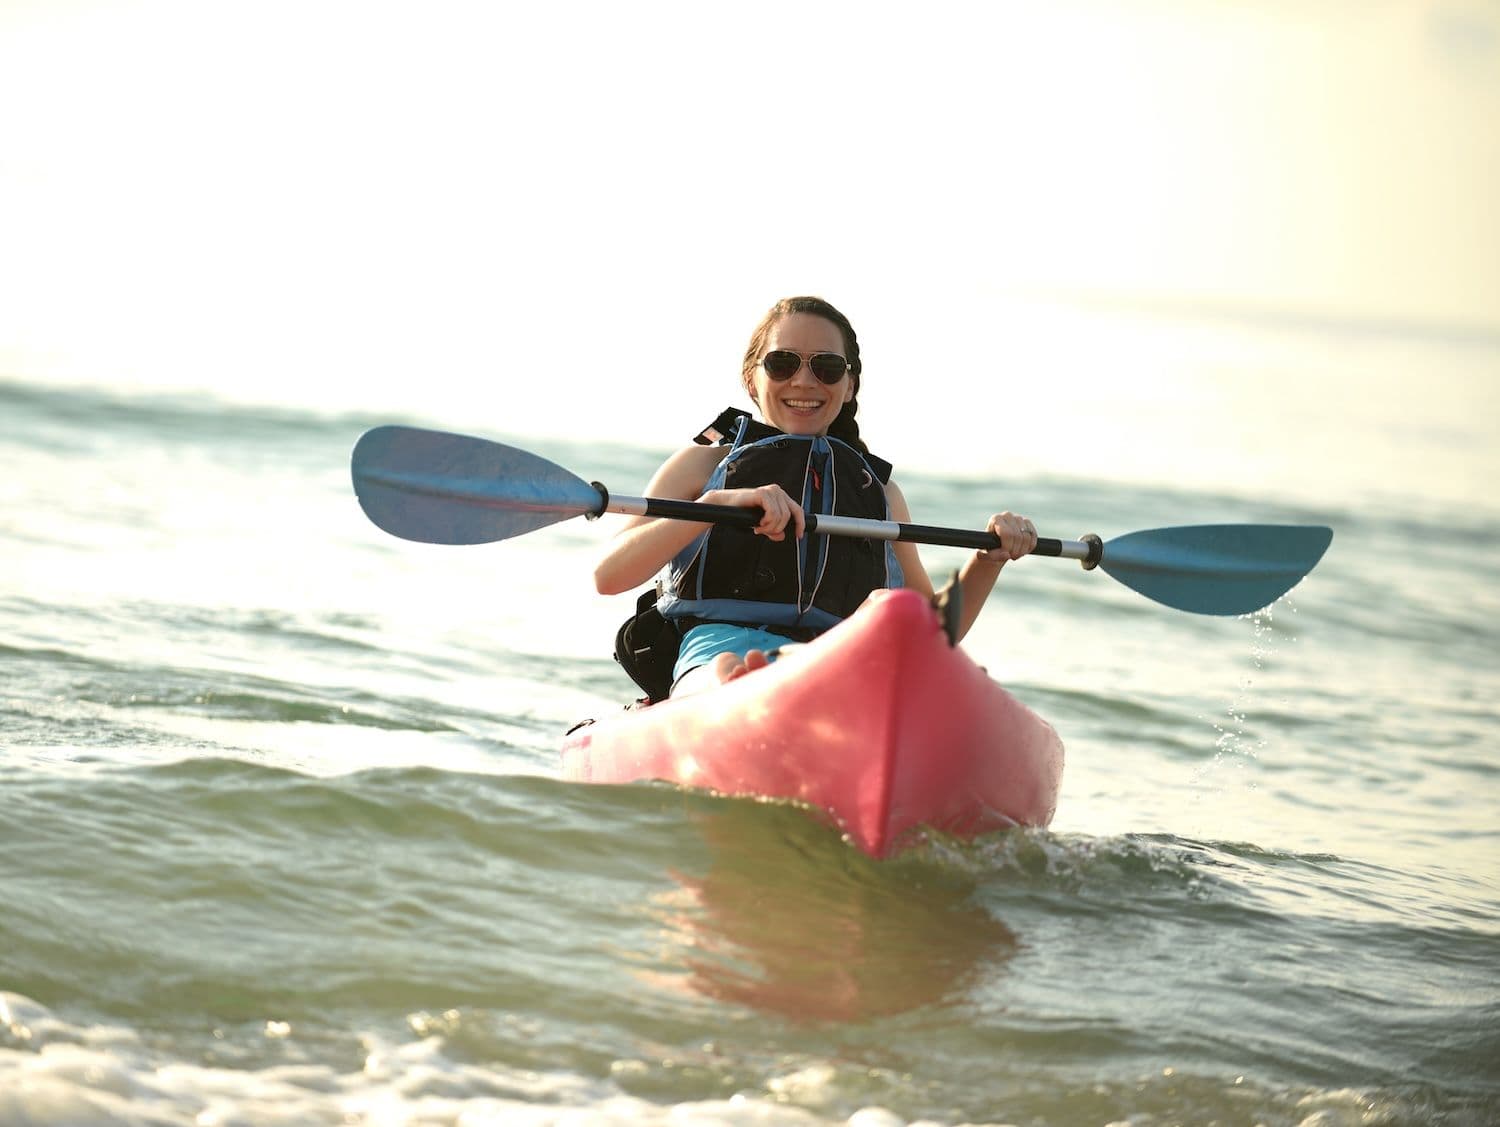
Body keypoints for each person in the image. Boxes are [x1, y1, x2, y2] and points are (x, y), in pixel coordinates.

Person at [594, 296, 1036, 697]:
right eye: (783, 363)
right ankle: (746, 684)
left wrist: (988, 559)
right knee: (726, 669)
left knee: (896, 633)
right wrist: (715, 507)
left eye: (825, 367)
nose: (804, 381)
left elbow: (936, 631)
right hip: (719, 652)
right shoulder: (704, 466)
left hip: (834, 660)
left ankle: (793, 676)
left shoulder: (878, 492)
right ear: (752, 380)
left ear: (849, 386)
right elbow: (609, 575)